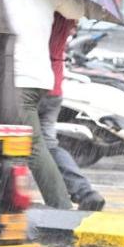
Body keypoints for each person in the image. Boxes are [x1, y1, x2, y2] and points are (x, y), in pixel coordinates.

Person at [0, 0, 78, 210]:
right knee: (13, 141)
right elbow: (76, 11)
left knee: (32, 145)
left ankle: (61, 205)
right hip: (41, 77)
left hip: (18, 77)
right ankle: (6, 199)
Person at [39, 11, 107, 212]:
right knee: (49, 146)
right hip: (55, 87)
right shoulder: (69, 12)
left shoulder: (42, 12)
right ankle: (84, 192)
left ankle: (57, 200)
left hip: (34, 84)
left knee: (23, 146)